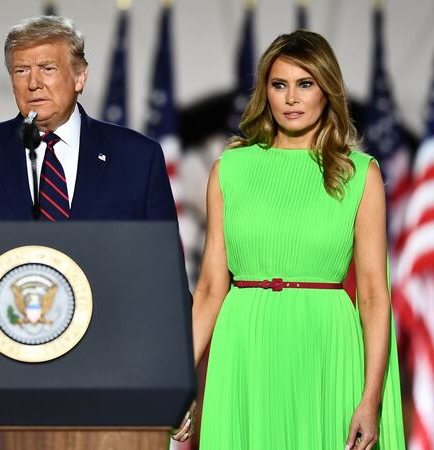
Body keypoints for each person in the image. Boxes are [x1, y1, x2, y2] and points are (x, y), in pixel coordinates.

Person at [172, 30, 405, 449]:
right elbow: (208, 289)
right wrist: (177, 383)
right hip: (244, 346)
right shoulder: (231, 169)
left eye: (305, 84)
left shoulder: (358, 174)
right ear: (266, 92)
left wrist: (371, 399)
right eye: (279, 85)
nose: (291, 98)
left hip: (325, 349)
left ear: (327, 90)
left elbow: (373, 296)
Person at [0, 15, 177, 221]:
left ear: (80, 77)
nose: (33, 83)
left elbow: (162, 268)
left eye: (48, 69)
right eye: (21, 71)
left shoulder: (138, 158)